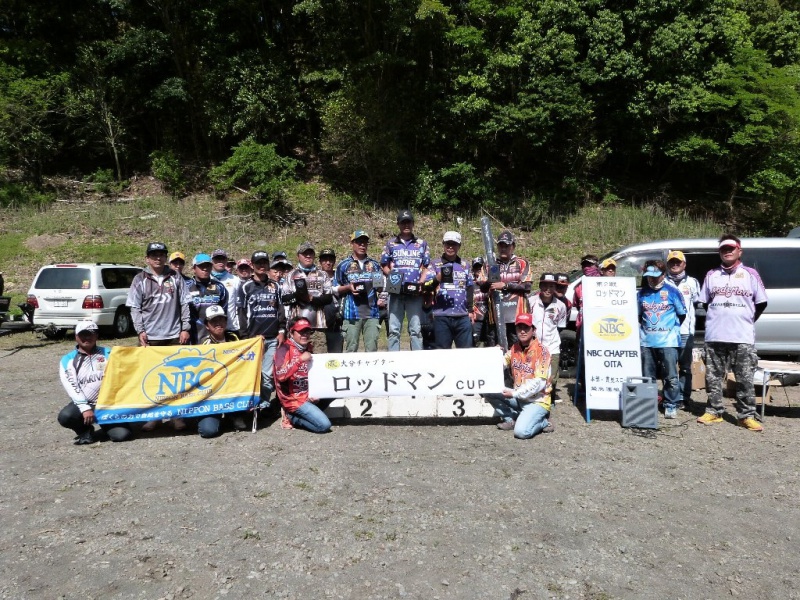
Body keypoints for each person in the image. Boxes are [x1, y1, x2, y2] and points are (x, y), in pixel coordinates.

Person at [697, 235, 768, 431]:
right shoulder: (711, 274)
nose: (727, 252)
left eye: (731, 248)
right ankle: (714, 411)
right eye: (723, 249)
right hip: (714, 336)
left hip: (741, 336)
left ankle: (745, 416)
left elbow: (761, 303)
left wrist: (745, 320)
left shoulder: (750, 274)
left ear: (739, 251)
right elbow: (704, 302)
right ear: (719, 252)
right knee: (713, 378)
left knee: (745, 378)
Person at [126, 241, 192, 431]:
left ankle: (175, 416)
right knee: (152, 378)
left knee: (175, 378)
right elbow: (134, 307)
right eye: (154, 255)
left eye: (161, 254)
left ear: (166, 258)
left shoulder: (176, 277)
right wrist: (140, 330)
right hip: (151, 337)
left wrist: (185, 327)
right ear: (147, 258)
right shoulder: (140, 279)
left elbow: (185, 303)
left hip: (173, 335)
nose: (158, 258)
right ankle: (154, 416)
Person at [57, 321, 134, 444]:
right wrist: (84, 408)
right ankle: (85, 431)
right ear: (76, 336)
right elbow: (72, 386)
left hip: (109, 405)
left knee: (121, 436)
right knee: (66, 416)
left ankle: (107, 425)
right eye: (83, 334)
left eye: (91, 334)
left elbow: (129, 370)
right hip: (87, 403)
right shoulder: (68, 360)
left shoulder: (110, 354)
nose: (87, 338)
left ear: (97, 336)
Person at [482, 314, 554, 439]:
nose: (522, 331)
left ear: (533, 330)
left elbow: (539, 383)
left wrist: (515, 394)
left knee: (521, 432)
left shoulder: (542, 352)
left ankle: (543, 421)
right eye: (519, 328)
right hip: (519, 397)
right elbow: (501, 364)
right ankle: (510, 419)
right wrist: (494, 355)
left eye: (526, 328)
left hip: (537, 401)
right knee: (487, 389)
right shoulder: (514, 348)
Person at [237, 250, 286, 414]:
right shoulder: (245, 287)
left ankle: (264, 405)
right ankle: (250, 405)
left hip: (272, 337)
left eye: (264, 263)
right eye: (258, 263)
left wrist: (281, 330)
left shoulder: (276, 285)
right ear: (252, 265)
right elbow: (241, 314)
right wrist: (245, 337)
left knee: (266, 374)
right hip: (253, 339)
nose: (262, 266)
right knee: (252, 374)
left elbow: (280, 310)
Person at [637, 260, 686, 419]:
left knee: (670, 375)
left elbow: (682, 314)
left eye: (655, 276)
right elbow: (638, 315)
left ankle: (671, 403)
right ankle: (649, 404)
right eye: (649, 276)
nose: (651, 279)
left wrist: (668, 330)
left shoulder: (673, 291)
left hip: (668, 341)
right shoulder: (642, 293)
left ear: (664, 275)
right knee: (647, 376)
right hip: (646, 341)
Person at [380, 209, 431, 351]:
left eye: (409, 222)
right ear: (398, 224)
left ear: (413, 224)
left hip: (414, 292)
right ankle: (393, 361)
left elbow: (427, 266)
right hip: (396, 291)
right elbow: (383, 264)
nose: (406, 225)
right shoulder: (391, 244)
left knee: (415, 329)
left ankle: (417, 360)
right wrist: (392, 276)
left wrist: (421, 282)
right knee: (394, 330)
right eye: (403, 222)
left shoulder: (422, 243)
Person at [274, 317, 335, 433]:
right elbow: (280, 376)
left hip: (307, 395)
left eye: (307, 331)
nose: (305, 335)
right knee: (324, 425)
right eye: (301, 332)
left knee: (335, 390)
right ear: (291, 333)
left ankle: (310, 411)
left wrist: (315, 392)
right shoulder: (283, 349)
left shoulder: (308, 348)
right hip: (293, 399)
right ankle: (291, 417)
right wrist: (299, 360)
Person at [476, 229, 532, 347]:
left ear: (513, 246)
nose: (503, 248)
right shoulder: (489, 264)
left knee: (517, 350)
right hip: (495, 316)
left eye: (506, 245)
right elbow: (482, 286)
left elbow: (527, 286)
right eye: (501, 245)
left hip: (517, 317)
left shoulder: (522, 263)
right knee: (495, 351)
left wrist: (505, 285)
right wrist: (489, 281)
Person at [195, 305, 245, 436]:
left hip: (233, 388)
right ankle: (210, 417)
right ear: (207, 325)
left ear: (226, 321)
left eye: (221, 320)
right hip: (213, 395)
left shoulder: (235, 337)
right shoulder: (204, 345)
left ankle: (234, 414)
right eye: (213, 321)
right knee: (208, 431)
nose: (218, 324)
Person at [282, 241, 335, 352]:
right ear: (298, 256)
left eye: (310, 253)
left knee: (320, 361)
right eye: (304, 253)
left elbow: (329, 298)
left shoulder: (323, 274)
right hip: (296, 328)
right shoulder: (291, 275)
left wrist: (312, 299)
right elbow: (284, 299)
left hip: (317, 327)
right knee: (297, 362)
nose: (308, 256)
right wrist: (298, 295)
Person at [334, 231, 383, 352]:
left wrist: (381, 288)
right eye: (359, 242)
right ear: (352, 243)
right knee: (351, 349)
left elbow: (380, 287)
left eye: (365, 243)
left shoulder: (375, 265)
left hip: (372, 313)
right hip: (351, 314)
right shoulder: (343, 265)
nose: (362, 245)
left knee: (372, 350)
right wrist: (348, 288)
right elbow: (334, 288)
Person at [424, 231, 474, 349]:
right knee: (442, 353)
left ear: (459, 246)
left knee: (466, 352)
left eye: (454, 244)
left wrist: (471, 310)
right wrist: (437, 279)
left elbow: (470, 287)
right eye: (448, 244)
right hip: (441, 315)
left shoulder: (465, 265)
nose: (450, 247)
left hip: (462, 315)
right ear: (443, 244)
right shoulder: (435, 264)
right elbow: (426, 286)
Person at [666, 250, 701, 409]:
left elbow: (697, 304)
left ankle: (683, 398)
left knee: (685, 367)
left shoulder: (693, 282)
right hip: (666, 331)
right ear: (667, 264)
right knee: (669, 366)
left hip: (686, 331)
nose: (675, 264)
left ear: (684, 264)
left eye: (678, 262)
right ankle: (670, 397)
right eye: (672, 262)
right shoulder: (662, 281)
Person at [530, 273, 568, 400]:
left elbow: (560, 325)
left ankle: (548, 402)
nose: (548, 289)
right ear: (540, 286)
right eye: (545, 285)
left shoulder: (561, 306)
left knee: (552, 377)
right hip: (534, 346)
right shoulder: (530, 302)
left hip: (552, 345)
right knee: (533, 375)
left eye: (551, 286)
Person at [187, 253, 229, 344]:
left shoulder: (219, 287)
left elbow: (224, 312)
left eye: (208, 266)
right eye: (201, 266)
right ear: (194, 268)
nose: (205, 269)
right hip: (193, 335)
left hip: (215, 337)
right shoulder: (186, 287)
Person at [318, 248, 344, 353]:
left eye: (331, 260)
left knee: (335, 356)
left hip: (337, 323)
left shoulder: (340, 277)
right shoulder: (314, 277)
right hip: (319, 323)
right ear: (320, 262)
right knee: (320, 356)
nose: (328, 263)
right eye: (325, 260)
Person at [210, 249, 240, 334]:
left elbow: (238, 304)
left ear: (226, 261)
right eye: (217, 259)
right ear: (212, 261)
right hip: (212, 327)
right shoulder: (206, 279)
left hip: (231, 326)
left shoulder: (235, 280)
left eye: (222, 259)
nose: (220, 262)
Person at [471, 257, 488, 347]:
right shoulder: (470, 284)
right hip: (476, 320)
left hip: (489, 319)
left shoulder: (489, 282)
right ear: (472, 269)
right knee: (475, 344)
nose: (478, 269)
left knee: (489, 344)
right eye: (476, 267)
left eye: (480, 267)